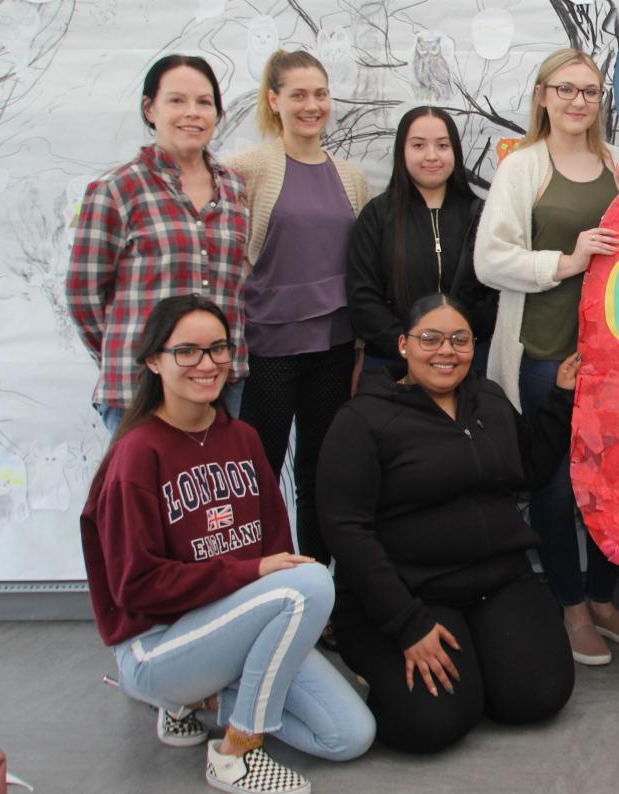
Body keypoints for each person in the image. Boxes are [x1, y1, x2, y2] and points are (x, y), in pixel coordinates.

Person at [80, 295, 373, 794]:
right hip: (157, 647)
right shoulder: (135, 456)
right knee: (309, 582)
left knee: (350, 735)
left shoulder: (241, 437)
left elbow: (274, 544)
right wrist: (250, 575)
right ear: (154, 360)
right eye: (187, 351)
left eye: (218, 348)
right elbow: (136, 588)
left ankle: (202, 702)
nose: (208, 363)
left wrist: (259, 582)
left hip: (232, 628)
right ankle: (236, 752)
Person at [317, 294, 576, 753]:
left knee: (537, 697)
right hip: (412, 592)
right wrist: (405, 624)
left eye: (460, 339)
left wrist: (560, 397)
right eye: (430, 338)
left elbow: (531, 468)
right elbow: (345, 529)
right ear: (403, 345)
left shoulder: (489, 400)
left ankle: (480, 663)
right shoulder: (362, 420)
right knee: (433, 724)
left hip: (498, 581)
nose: (446, 351)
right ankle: (384, 665)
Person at [472, 49, 619, 666]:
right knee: (552, 486)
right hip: (547, 354)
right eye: (566, 89)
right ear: (543, 96)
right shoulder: (523, 168)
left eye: (591, 91)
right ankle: (570, 605)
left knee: (616, 484)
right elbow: (489, 261)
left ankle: (603, 598)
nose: (579, 101)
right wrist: (566, 263)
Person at [226, 49, 371, 565]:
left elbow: (357, 267)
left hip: (332, 348)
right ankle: (263, 583)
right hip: (268, 350)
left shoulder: (350, 176)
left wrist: (357, 348)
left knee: (319, 474)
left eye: (320, 94)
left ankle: (318, 586)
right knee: (260, 474)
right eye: (299, 95)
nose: (312, 105)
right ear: (275, 100)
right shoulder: (246, 170)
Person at [68, 55, 251, 432]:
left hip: (220, 383)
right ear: (150, 109)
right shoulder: (117, 190)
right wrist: (133, 352)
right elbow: (83, 294)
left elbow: (235, 289)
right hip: (142, 390)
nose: (192, 113)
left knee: (215, 491)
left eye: (204, 102)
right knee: (140, 490)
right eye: (177, 101)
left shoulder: (234, 188)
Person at [348, 106, 496, 373]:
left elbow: (495, 292)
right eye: (418, 145)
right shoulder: (377, 216)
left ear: (455, 151)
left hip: (466, 365)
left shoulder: (483, 215)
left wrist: (455, 344)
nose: (431, 156)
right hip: (392, 365)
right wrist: (411, 347)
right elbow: (363, 298)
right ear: (402, 151)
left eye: (442, 145)